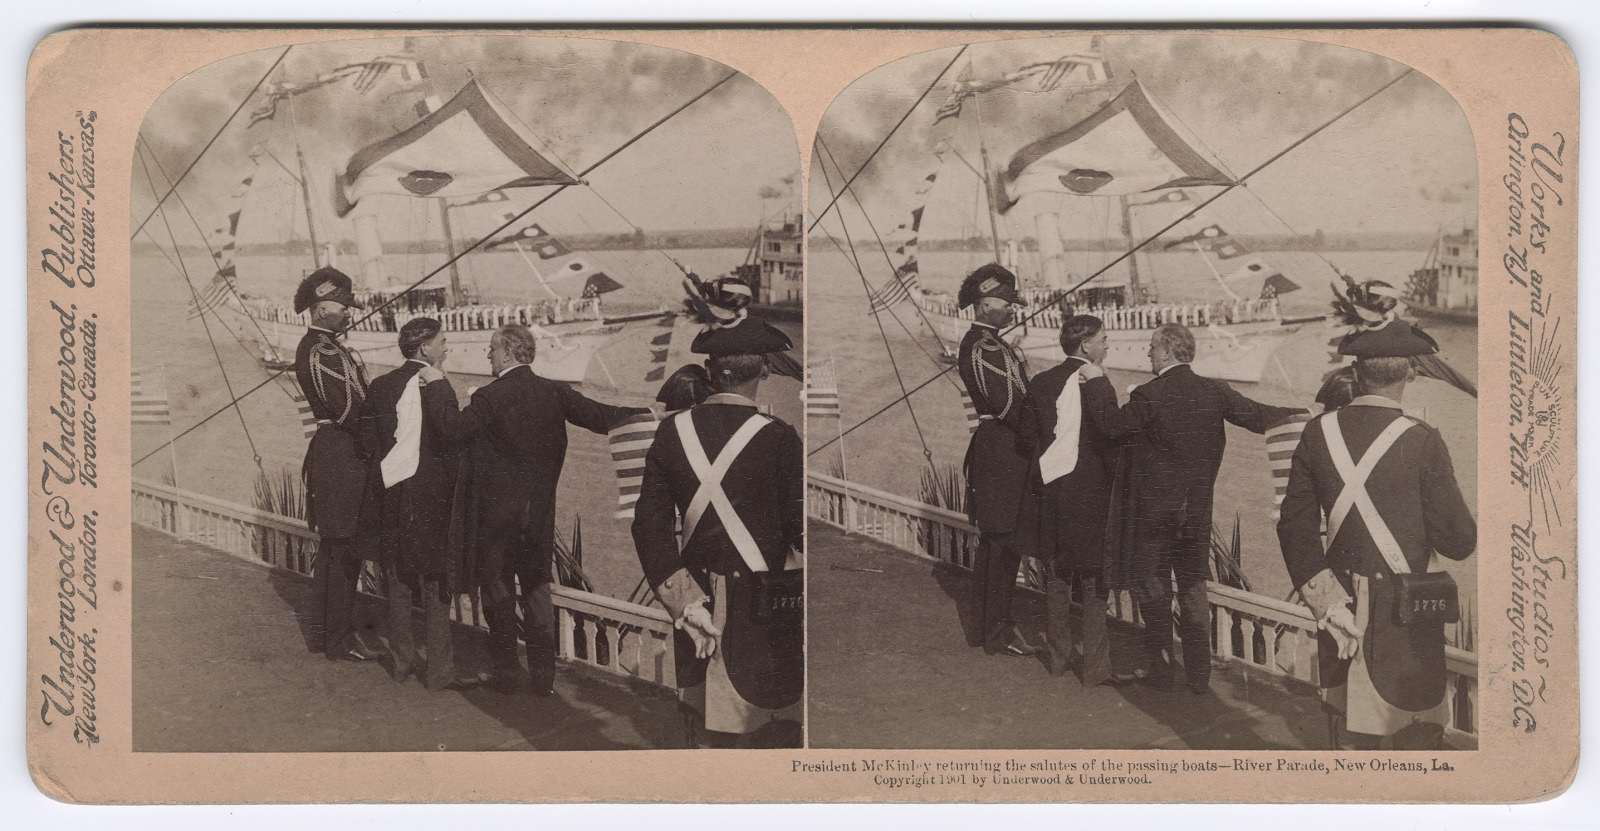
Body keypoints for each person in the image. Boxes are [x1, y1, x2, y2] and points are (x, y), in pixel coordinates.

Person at [1278, 317, 1476, 751]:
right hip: (1409, 613)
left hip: (1341, 606)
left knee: (1348, 734)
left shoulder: (1317, 431)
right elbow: (1459, 542)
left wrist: (1327, 604)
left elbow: (1293, 526)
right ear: (1410, 372)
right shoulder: (1424, 439)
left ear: (1355, 372)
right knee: (1416, 732)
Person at [420, 324, 647, 696]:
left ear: (508, 353)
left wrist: (438, 384)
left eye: (492, 350)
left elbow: (452, 429)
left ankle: (508, 673)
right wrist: (656, 415)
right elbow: (604, 417)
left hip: (495, 519)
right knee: (537, 590)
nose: (488, 356)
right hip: (539, 514)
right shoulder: (555, 391)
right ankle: (544, 679)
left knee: (497, 591)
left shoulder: (490, 396)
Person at [1091, 323, 1304, 694]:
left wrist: (1096, 382)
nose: (1148, 354)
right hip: (1196, 512)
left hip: (1154, 514)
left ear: (1170, 351)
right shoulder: (1214, 390)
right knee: (1192, 588)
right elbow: (1260, 416)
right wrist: (1307, 415)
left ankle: (1161, 669)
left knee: (1153, 587)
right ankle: (1199, 677)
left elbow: (1111, 428)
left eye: (1153, 348)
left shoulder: (1148, 394)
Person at [631, 316, 804, 749]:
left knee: (700, 720)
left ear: (709, 372)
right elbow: (800, 532)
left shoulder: (672, 431)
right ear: (764, 370)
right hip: (763, 607)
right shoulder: (780, 438)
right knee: (764, 726)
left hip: (697, 603)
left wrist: (684, 604)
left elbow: (649, 526)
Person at [365, 318, 484, 690]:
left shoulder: (381, 385)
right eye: (443, 343)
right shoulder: (439, 385)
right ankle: (440, 673)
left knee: (398, 579)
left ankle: (401, 662)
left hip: (393, 494)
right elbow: (453, 441)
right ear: (425, 349)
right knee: (436, 584)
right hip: (432, 499)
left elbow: (369, 442)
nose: (448, 348)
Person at [1018, 315, 1133, 685]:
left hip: (1054, 494)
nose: (1107, 345)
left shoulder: (1041, 382)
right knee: (1095, 584)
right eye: (1104, 339)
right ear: (1086, 346)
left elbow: (1025, 439)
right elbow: (1112, 437)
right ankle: (1096, 669)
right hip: (1093, 498)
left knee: (1057, 578)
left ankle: (1057, 659)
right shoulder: (1099, 384)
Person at [292, 266, 385, 663]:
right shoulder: (323, 351)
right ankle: (339, 640)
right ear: (321, 309)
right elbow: (350, 408)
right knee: (344, 549)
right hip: (343, 456)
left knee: (334, 549)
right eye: (343, 307)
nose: (349, 313)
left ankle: (328, 635)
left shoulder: (324, 346)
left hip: (334, 453)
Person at [955, 263, 1040, 657]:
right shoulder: (986, 347)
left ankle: (987, 628)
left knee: (997, 544)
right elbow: (1011, 406)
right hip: (1004, 452)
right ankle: (997, 631)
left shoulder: (989, 344)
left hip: (997, 451)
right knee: (1003, 544)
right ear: (986, 303)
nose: (1012, 310)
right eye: (1007, 304)